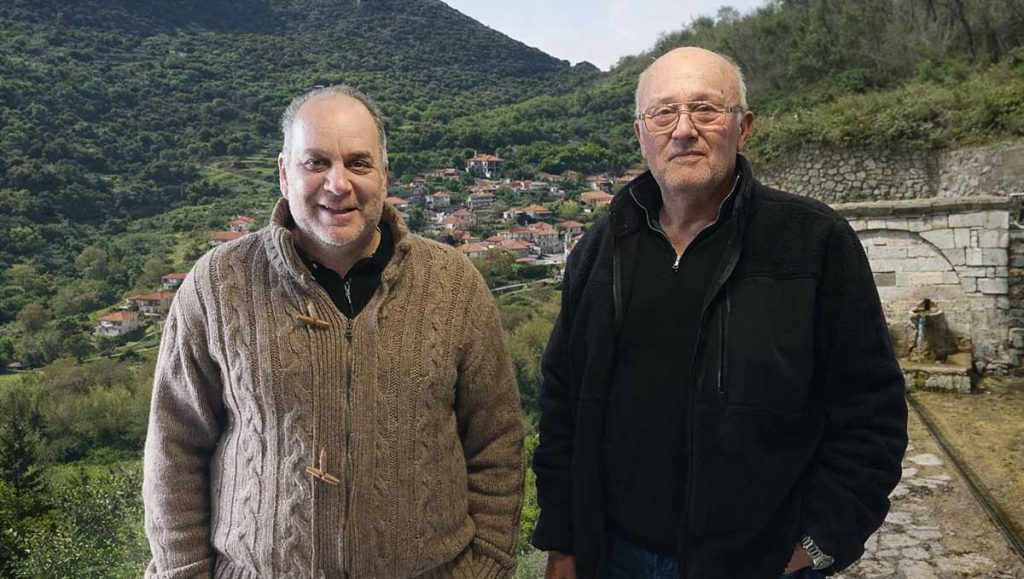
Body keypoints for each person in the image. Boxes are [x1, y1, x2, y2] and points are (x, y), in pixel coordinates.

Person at [531, 47, 907, 579]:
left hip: (758, 564)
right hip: (612, 557)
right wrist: (563, 542)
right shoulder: (602, 246)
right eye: (663, 113)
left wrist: (821, 540)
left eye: (705, 109)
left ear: (743, 127)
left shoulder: (813, 242)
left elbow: (871, 408)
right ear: (640, 134)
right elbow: (562, 401)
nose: (683, 129)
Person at [143, 85, 524, 579]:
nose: (338, 183)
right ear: (284, 173)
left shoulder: (453, 285)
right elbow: (174, 449)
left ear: (384, 175)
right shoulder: (217, 284)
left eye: (358, 163)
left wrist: (486, 566)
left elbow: (497, 440)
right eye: (316, 163)